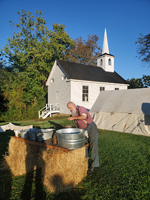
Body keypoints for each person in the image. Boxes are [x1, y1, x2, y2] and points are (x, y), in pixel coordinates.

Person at [67, 101, 99, 174]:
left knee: (93, 145)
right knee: (85, 146)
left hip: (91, 127)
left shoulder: (81, 108)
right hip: (83, 130)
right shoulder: (74, 113)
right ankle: (85, 163)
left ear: (74, 105)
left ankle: (94, 166)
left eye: (70, 108)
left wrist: (73, 118)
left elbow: (84, 116)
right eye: (68, 108)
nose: (70, 109)